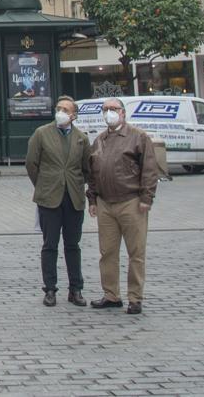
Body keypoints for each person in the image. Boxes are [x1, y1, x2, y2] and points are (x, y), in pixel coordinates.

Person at [87, 96, 161, 315]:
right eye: (105, 109)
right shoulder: (100, 139)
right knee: (107, 252)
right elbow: (92, 172)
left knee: (136, 252)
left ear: (123, 113)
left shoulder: (138, 137)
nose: (109, 112)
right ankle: (111, 295)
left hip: (131, 201)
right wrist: (92, 199)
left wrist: (147, 198)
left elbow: (149, 169)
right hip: (105, 203)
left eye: (113, 109)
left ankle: (135, 297)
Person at [25, 97, 91, 307]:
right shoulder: (42, 133)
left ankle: (76, 288)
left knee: (73, 245)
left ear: (74, 115)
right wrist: (43, 184)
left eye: (65, 109)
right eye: (58, 108)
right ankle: (50, 289)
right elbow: (31, 164)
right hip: (49, 197)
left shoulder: (81, 138)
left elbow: (86, 168)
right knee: (49, 245)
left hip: (73, 197)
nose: (61, 112)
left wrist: (76, 183)